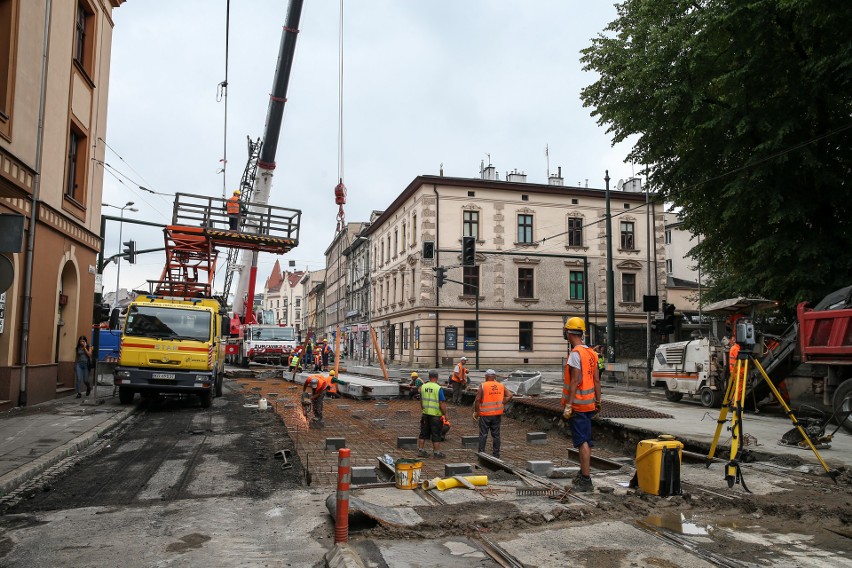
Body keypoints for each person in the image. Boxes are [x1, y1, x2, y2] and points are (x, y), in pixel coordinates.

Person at [561, 317, 601, 492]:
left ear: (569, 333)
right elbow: (597, 380)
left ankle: (586, 479)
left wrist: (569, 405)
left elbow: (575, 380)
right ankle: (583, 473)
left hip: (578, 405)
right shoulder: (592, 353)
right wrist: (598, 401)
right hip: (589, 404)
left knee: (582, 441)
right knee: (586, 439)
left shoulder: (575, 354)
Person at [474, 369, 513, 458]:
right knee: (496, 435)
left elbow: (477, 400)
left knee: (483, 434)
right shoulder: (500, 385)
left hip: (485, 415)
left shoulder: (483, 386)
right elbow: (510, 395)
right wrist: (502, 403)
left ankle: (481, 453)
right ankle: (496, 454)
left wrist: (477, 412)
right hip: (497, 414)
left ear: (486, 376)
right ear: (494, 376)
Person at [417, 369, 448, 458]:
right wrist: (445, 414)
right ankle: (436, 453)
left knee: (423, 432)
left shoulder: (423, 387)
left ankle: (421, 450)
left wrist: (423, 409)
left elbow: (421, 401)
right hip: (436, 415)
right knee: (436, 433)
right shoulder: (438, 388)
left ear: (429, 377)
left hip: (425, 413)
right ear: (437, 377)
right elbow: (442, 403)